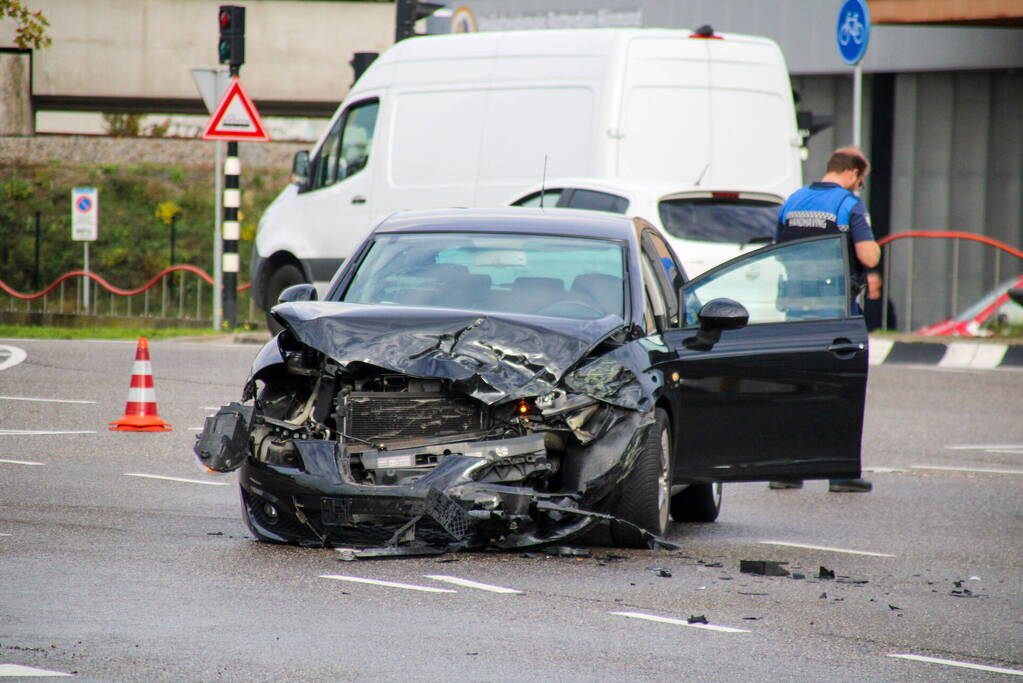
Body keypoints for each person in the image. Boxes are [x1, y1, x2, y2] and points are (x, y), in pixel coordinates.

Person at [770, 146, 878, 493]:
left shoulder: (793, 201)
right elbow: (868, 255)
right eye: (860, 179)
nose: (858, 185)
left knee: (795, 390)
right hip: (836, 314)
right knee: (840, 392)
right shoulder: (848, 205)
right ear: (852, 173)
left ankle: (787, 470)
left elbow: (777, 250)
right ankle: (841, 474)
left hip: (794, 312)